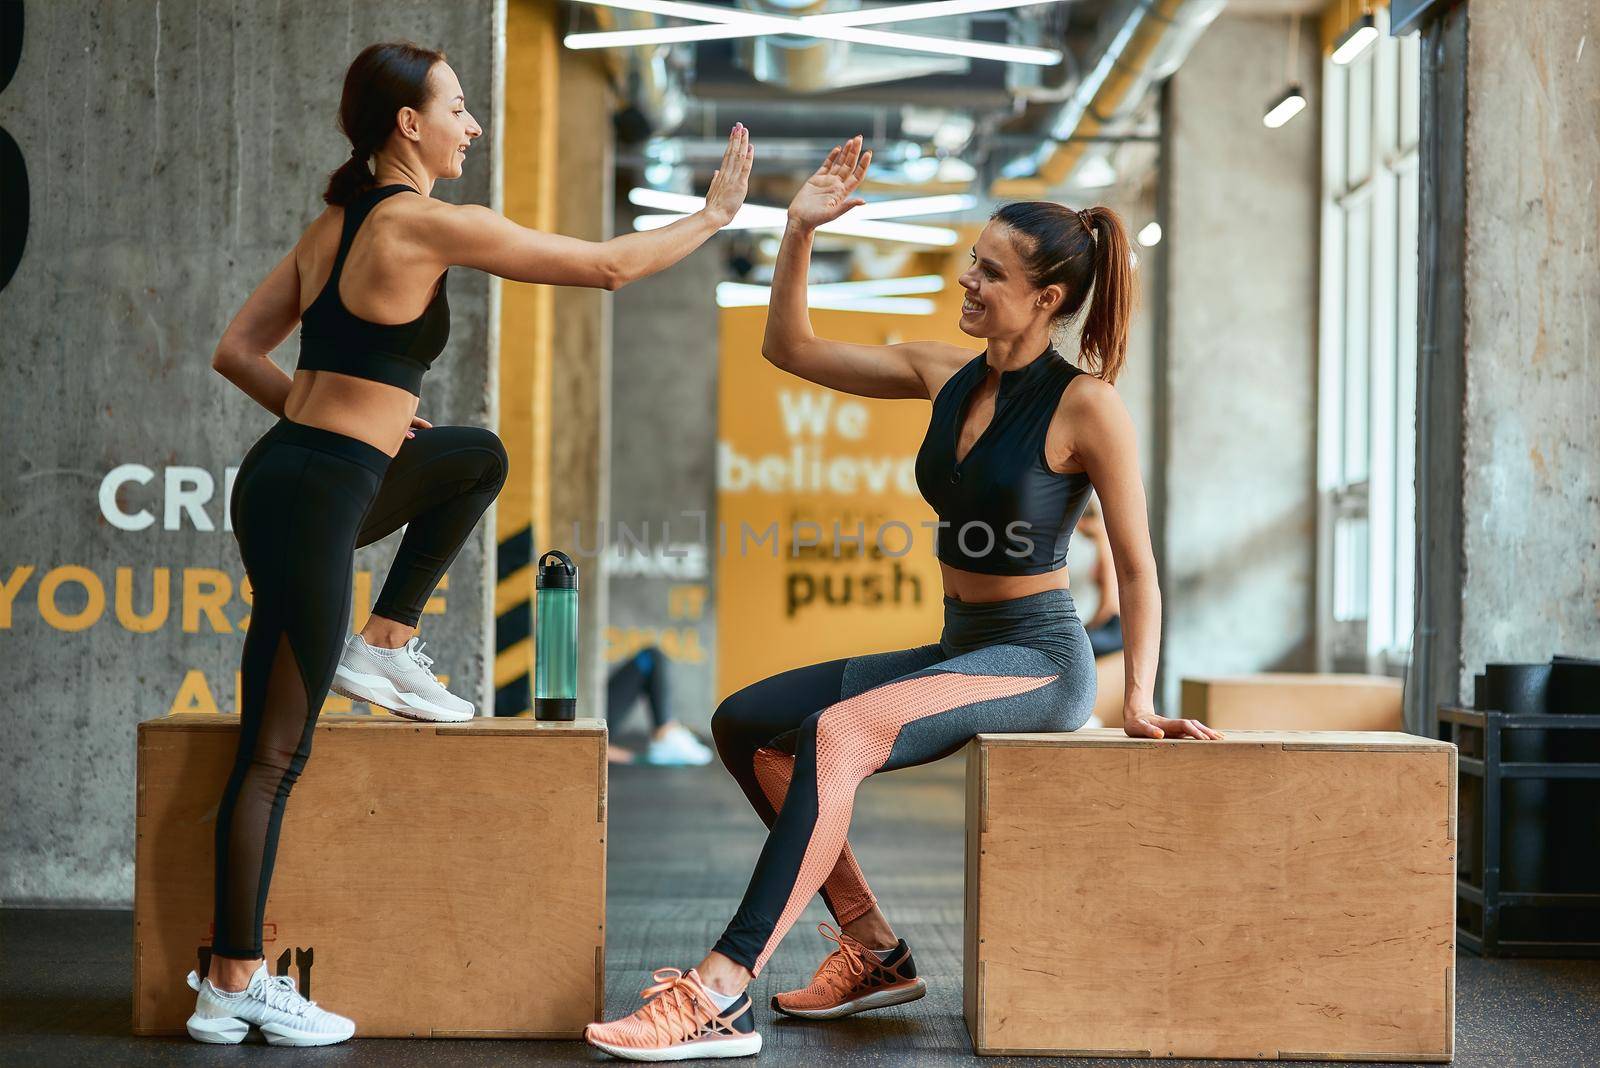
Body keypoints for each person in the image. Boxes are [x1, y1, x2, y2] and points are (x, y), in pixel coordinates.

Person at [584, 136, 1220, 1062]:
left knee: (839, 734)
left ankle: (718, 990)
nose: (968, 281)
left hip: (1041, 662)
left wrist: (1139, 702)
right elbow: (789, 348)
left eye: (990, 274)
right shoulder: (942, 373)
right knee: (742, 723)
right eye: (971, 260)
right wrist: (798, 229)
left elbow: (1138, 566)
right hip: (963, 646)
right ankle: (875, 949)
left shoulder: (1088, 407)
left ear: (1045, 300)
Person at [185, 41, 753, 1047]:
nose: (471, 125)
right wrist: (711, 216)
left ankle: (389, 642)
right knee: (274, 754)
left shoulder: (336, 225)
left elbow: (239, 351)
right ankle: (232, 978)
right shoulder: (429, 225)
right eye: (457, 107)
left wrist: (343, 419)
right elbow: (609, 268)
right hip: (318, 491)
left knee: (469, 454)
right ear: (408, 123)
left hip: (286, 476)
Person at [606, 646, 715, 766]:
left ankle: (666, 732)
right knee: (651, 657)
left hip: (593, 711)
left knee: (651, 657)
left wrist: (634, 758)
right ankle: (665, 735)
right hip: (594, 716)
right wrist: (634, 758)